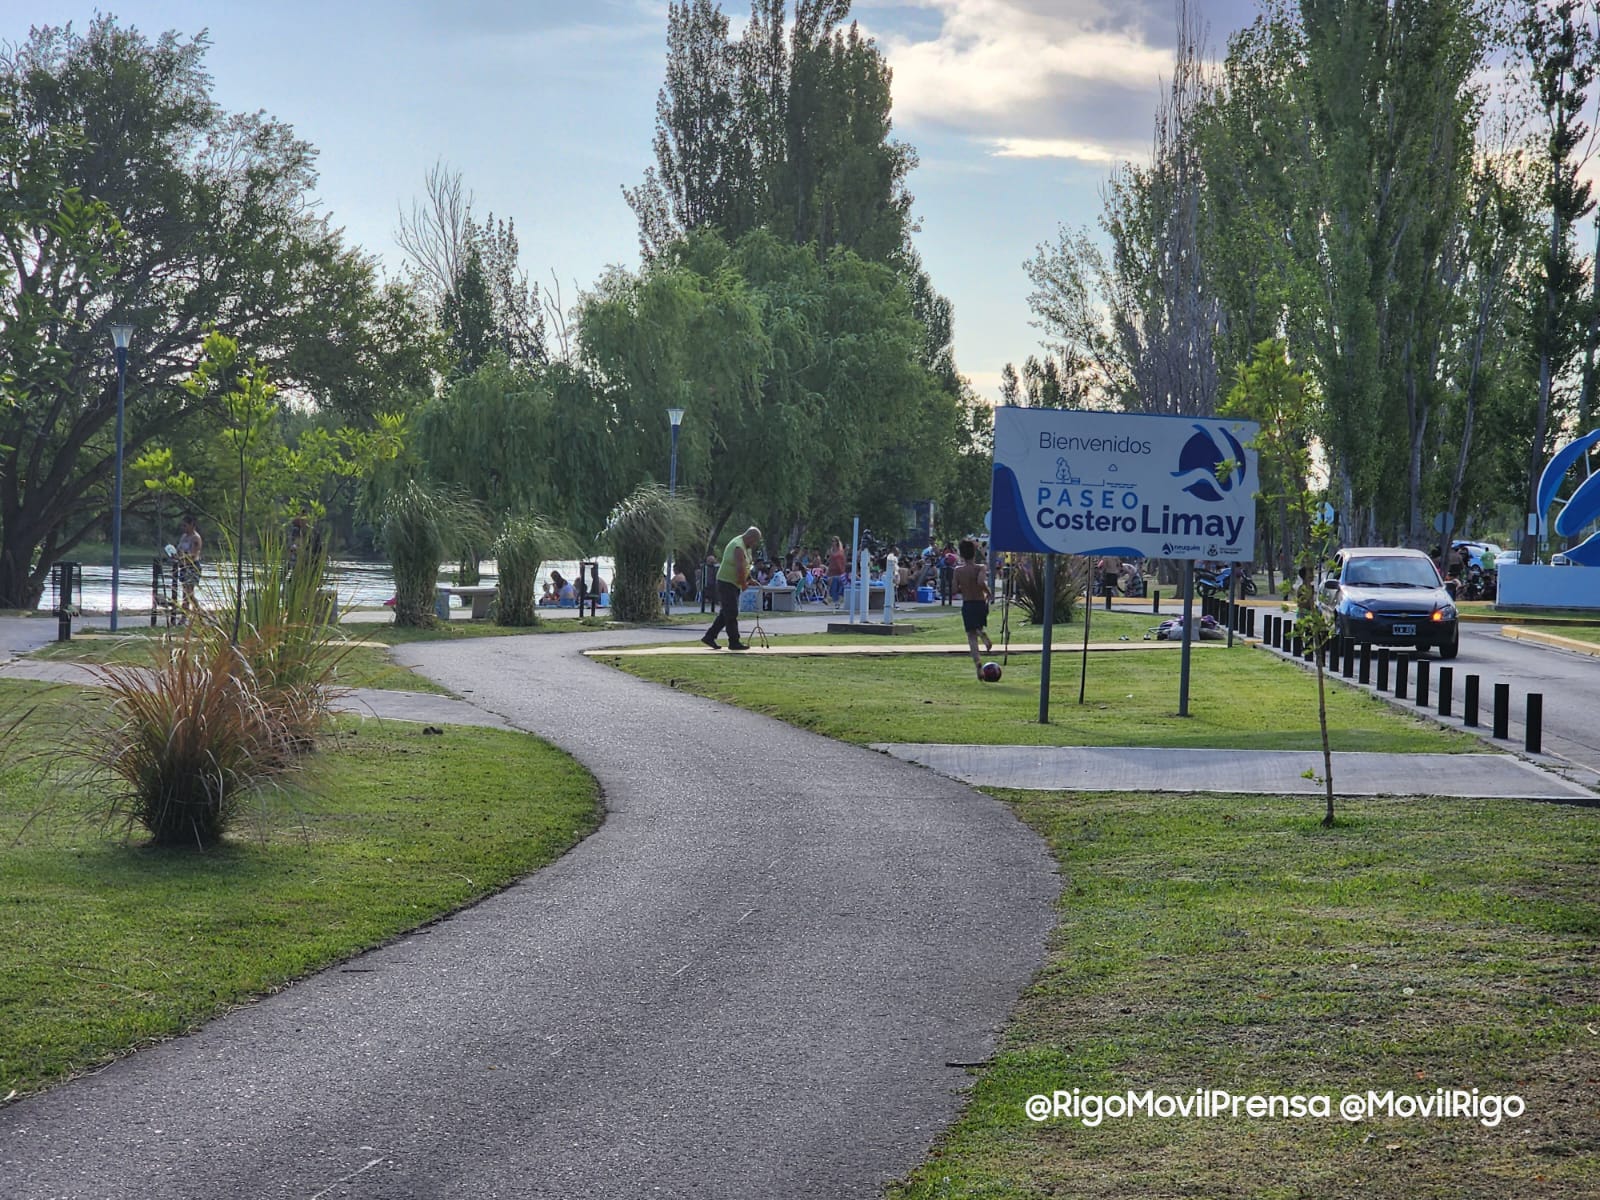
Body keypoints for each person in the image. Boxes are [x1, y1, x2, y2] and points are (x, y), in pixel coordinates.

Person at [703, 526, 761, 650]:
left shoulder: (747, 547)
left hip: (734, 583)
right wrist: (744, 583)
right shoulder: (738, 546)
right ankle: (734, 642)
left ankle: (709, 636)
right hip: (726, 582)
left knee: (726, 612)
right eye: (754, 541)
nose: (755, 544)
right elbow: (739, 568)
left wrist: (749, 579)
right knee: (732, 612)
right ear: (750, 537)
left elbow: (746, 566)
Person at [953, 537, 994, 679]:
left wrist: (963, 588)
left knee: (971, 637)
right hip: (979, 602)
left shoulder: (958, 570)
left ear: (962, 554)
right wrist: (989, 593)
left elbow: (953, 589)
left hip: (968, 603)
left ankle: (978, 663)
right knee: (978, 627)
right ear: (974, 553)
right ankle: (981, 633)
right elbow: (981, 582)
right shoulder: (980, 568)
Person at [174, 513, 203, 614]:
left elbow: (194, 554)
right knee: (184, 592)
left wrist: (182, 557)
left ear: (192, 525)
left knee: (189, 593)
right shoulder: (184, 537)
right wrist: (175, 555)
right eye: (183, 525)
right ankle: (185, 615)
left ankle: (198, 612)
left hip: (192, 566)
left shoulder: (196, 538)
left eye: (185, 525)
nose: (184, 528)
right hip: (183, 566)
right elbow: (179, 549)